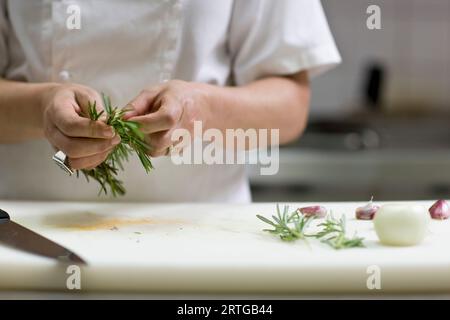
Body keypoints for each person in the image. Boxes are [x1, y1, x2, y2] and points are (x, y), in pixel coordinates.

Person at [0, 0, 340, 202]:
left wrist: (202, 110)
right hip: (35, 233)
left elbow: (291, 105)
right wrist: (40, 107)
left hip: (199, 237)